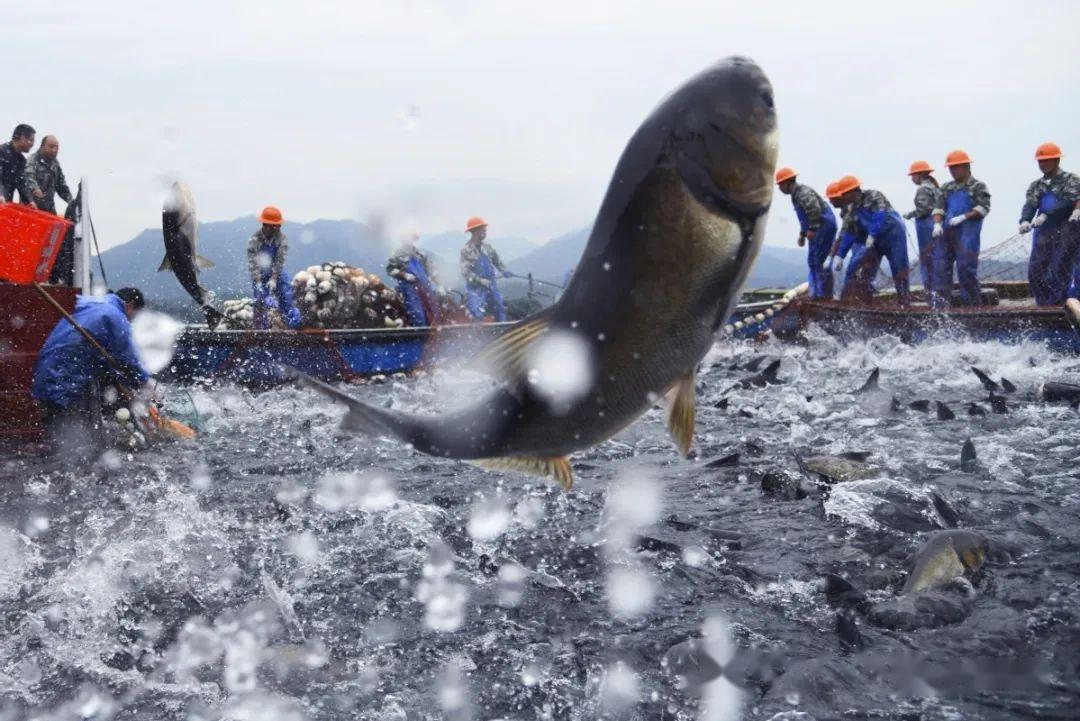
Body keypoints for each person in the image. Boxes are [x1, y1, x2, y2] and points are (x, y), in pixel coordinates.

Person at [31, 288, 151, 458]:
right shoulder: (114, 315)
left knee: (60, 439)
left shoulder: (92, 308)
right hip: (66, 384)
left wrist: (122, 379)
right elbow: (127, 356)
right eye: (135, 316)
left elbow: (102, 357)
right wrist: (145, 382)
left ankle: (54, 470)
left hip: (47, 377)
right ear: (130, 305)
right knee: (80, 444)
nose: (132, 321)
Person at [1018, 143, 1080, 305]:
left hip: (1067, 230)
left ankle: (1059, 304)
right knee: (1035, 271)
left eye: (1047, 160)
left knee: (1060, 268)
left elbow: (1068, 201)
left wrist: (1046, 214)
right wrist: (1025, 219)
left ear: (1057, 160)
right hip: (1043, 231)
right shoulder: (1036, 185)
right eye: (1040, 161)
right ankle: (1044, 304)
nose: (1043, 164)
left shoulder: (1071, 180)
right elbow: (1030, 204)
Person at [835, 175, 911, 305]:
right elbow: (850, 232)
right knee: (859, 266)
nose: (843, 197)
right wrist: (840, 255)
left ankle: (904, 301)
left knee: (899, 267)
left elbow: (879, 214)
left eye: (845, 194)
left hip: (893, 235)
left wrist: (872, 234)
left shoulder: (874, 195)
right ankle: (858, 300)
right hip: (874, 240)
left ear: (853, 191)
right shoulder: (852, 209)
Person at [933, 150, 991, 306]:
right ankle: (941, 309)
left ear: (966, 167)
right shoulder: (946, 187)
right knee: (940, 269)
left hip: (967, 235)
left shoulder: (978, 186)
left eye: (956, 167)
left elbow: (983, 208)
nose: (953, 171)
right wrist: (937, 223)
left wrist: (964, 216)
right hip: (946, 235)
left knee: (966, 270)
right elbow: (938, 209)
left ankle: (972, 307)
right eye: (951, 168)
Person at [775, 167, 838, 299]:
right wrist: (803, 234)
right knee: (814, 261)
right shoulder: (795, 195)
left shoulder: (803, 193)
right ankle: (818, 292)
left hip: (824, 226)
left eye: (780, 185)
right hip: (819, 227)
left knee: (818, 260)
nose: (780, 188)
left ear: (787, 183)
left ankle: (821, 295)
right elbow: (804, 217)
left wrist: (812, 229)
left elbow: (814, 210)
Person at [247, 206, 301, 329]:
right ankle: (262, 331)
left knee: (286, 299)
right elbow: (252, 264)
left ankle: (293, 326)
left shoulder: (282, 239)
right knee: (260, 302)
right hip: (260, 275)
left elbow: (279, 260)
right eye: (274, 226)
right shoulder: (254, 240)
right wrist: (259, 282)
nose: (277, 228)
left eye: (278, 226)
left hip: (278, 273)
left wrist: (274, 278)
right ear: (266, 225)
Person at [903, 161, 947, 308]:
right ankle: (939, 299)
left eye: (913, 175)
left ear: (919, 175)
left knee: (928, 264)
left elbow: (923, 210)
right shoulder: (934, 187)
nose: (911, 179)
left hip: (926, 229)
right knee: (937, 262)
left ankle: (933, 302)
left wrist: (909, 214)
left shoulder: (923, 189)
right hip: (936, 228)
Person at [387, 233, 442, 326]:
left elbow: (432, 270)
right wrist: (404, 275)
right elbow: (390, 270)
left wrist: (440, 285)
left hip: (425, 289)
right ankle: (420, 336)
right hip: (410, 290)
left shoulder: (421, 254)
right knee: (418, 316)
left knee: (434, 314)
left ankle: (434, 337)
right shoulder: (397, 255)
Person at [460, 216, 508, 321]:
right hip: (475, 289)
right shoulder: (466, 250)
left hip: (491, 286)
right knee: (477, 312)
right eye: (483, 229)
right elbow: (465, 272)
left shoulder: (488, 247)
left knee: (499, 308)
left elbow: (498, 262)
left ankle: (502, 331)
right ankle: (480, 335)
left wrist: (504, 271)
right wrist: (480, 280)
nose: (485, 232)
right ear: (476, 231)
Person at [25, 135, 73, 215]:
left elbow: (61, 186)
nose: (54, 150)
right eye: (51, 147)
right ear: (42, 146)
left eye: (56, 148)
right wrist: (35, 188)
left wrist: (71, 201)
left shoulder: (55, 165)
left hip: (49, 209)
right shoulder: (32, 160)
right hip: (31, 208)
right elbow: (29, 177)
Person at [0, 123, 37, 206]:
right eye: (31, 140)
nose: (32, 144)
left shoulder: (21, 160)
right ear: (23, 138)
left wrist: (30, 201)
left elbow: (21, 183)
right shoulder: (1, 152)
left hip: (5, 203)